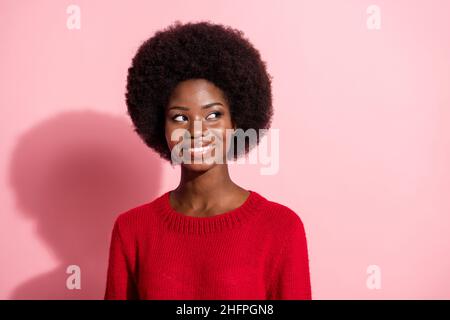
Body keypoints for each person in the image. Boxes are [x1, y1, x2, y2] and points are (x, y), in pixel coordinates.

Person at [104, 20, 311, 300]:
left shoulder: (281, 228)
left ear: (236, 123)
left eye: (213, 115)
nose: (197, 132)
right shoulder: (132, 230)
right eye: (180, 117)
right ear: (160, 127)